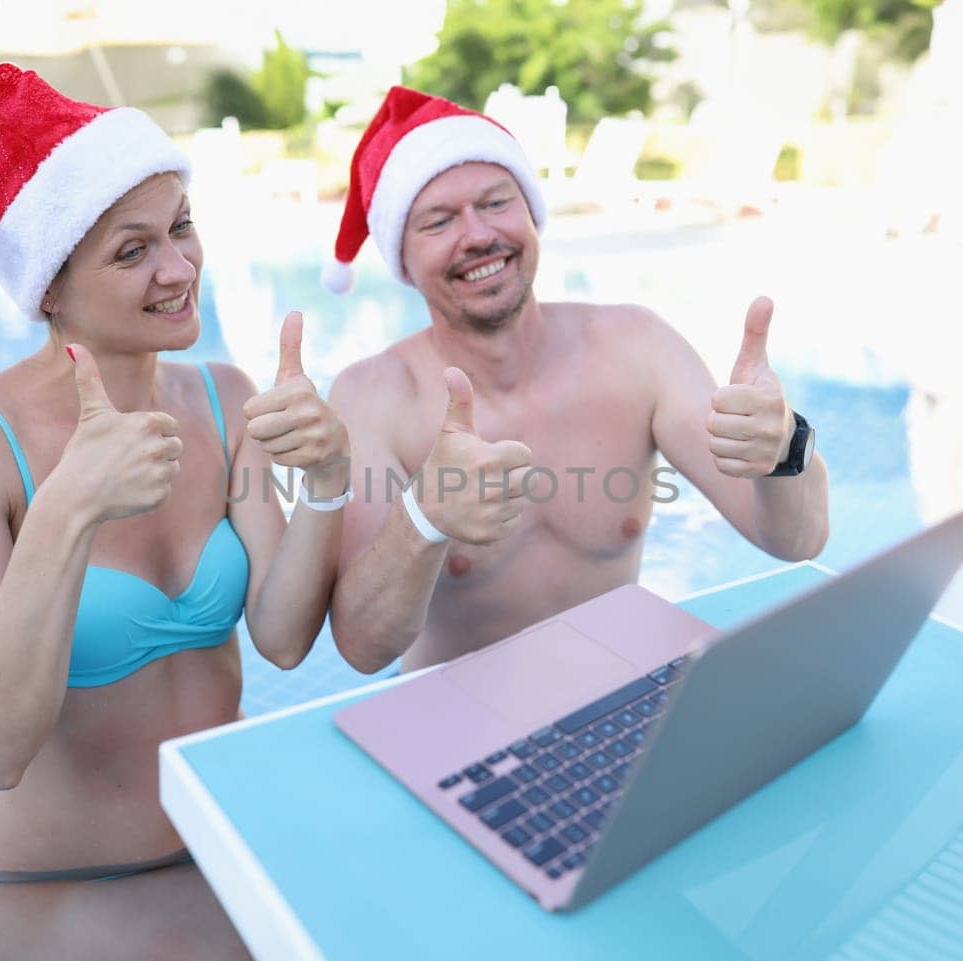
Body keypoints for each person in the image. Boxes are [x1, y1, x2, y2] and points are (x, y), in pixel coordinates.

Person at [0, 63, 351, 958]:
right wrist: (67, 510)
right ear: (50, 288)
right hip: (64, 887)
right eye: (132, 249)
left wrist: (333, 480)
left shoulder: (224, 397)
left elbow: (284, 635)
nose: (180, 267)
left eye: (180, 227)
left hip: (224, 848)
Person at [321, 87, 829, 673]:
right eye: (438, 221)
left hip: (622, 689)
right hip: (461, 717)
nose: (478, 235)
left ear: (533, 214)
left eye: (495, 202)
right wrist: (423, 521)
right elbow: (363, 647)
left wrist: (784, 445)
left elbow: (797, 541)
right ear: (403, 260)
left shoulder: (637, 348)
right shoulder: (373, 398)